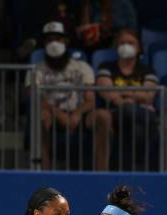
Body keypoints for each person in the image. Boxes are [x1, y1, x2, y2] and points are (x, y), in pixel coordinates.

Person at [26, 21, 109, 170]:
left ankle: (100, 173)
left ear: (66, 40)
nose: (54, 43)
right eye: (49, 40)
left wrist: (77, 114)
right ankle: (44, 173)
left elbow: (90, 100)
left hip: (80, 114)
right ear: (44, 43)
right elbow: (35, 98)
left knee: (103, 116)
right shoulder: (35, 70)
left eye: (57, 39)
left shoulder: (82, 67)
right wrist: (58, 114)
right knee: (41, 116)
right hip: (51, 114)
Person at [96, 28, 160, 170]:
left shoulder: (147, 70)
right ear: (116, 47)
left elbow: (148, 95)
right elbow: (105, 92)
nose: (126, 46)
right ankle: (165, 130)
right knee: (129, 112)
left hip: (142, 114)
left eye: (130, 43)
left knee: (134, 122)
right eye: (122, 43)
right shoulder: (106, 67)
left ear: (138, 47)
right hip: (115, 113)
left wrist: (120, 93)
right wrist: (126, 101)